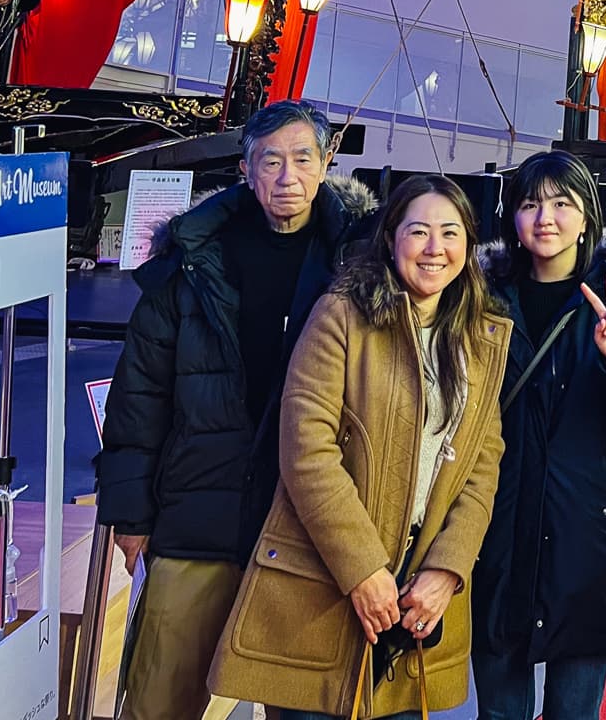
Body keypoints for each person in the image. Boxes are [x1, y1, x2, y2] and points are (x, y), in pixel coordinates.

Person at [97, 99, 376, 720]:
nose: (287, 176)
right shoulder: (190, 263)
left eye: (303, 158)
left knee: (303, 708)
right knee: (159, 699)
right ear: (246, 171)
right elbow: (139, 395)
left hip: (304, 525)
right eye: (270, 160)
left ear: (327, 163)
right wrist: (130, 514)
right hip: (197, 511)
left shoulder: (359, 265)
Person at [209, 173, 512, 719]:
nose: (434, 248)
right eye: (418, 231)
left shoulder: (479, 339)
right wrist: (364, 570)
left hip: (415, 596)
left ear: (469, 245)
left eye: (450, 233)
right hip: (323, 586)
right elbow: (307, 450)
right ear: (392, 238)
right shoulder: (343, 317)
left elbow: (481, 465)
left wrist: (447, 569)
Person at [471, 149, 606, 720]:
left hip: (586, 539)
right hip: (496, 532)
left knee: (576, 710)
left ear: (587, 215)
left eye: (561, 203)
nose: (545, 218)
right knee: (499, 709)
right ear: (511, 217)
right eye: (530, 204)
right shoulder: (480, 300)